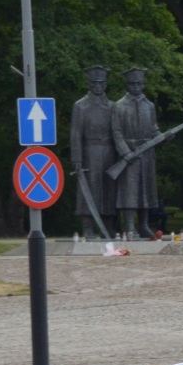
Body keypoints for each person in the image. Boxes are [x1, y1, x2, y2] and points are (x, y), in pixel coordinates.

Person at [111, 67, 163, 240]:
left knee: (146, 191)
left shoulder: (150, 106)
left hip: (147, 154)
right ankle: (130, 227)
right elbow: (116, 132)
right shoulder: (119, 106)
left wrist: (163, 137)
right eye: (132, 83)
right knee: (129, 192)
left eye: (139, 83)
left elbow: (154, 129)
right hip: (130, 154)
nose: (135, 86)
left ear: (143, 84)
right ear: (127, 85)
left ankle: (144, 225)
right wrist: (126, 152)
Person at [69, 65, 116, 239]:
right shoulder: (80, 106)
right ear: (89, 84)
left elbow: (117, 132)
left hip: (109, 152)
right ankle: (88, 227)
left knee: (108, 189)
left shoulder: (112, 106)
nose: (98, 86)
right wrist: (77, 157)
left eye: (101, 83)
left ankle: (109, 227)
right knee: (88, 189)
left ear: (105, 84)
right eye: (94, 82)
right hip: (89, 152)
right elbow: (75, 133)